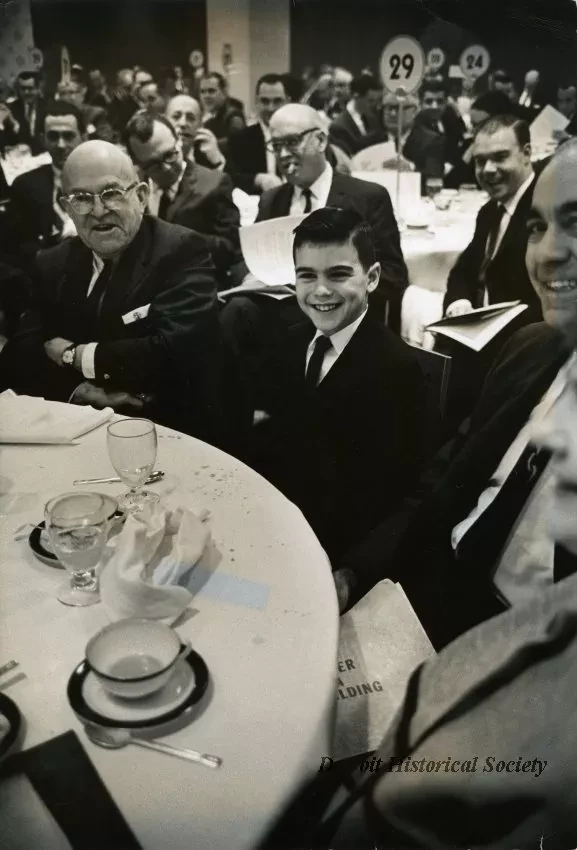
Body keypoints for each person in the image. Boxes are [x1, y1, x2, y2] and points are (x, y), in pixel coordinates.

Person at [359, 139, 577, 649]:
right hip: (440, 590)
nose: (547, 254)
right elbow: (444, 478)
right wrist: (356, 570)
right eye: (537, 227)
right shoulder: (532, 347)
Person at [0, 141, 222, 440]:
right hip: (76, 427)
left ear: (141, 196)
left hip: (166, 429)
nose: (98, 211)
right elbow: (20, 353)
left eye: (111, 193)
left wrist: (74, 355)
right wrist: (78, 390)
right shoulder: (53, 262)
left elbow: (178, 351)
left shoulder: (181, 250)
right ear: (67, 208)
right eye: (81, 198)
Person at [253, 207, 425, 574]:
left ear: (372, 278)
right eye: (307, 276)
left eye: (338, 274)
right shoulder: (288, 341)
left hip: (339, 553)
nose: (320, 291)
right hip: (278, 527)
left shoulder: (397, 370)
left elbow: (401, 496)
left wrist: (353, 571)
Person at [444, 114, 541, 321]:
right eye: (480, 161)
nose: (487, 170)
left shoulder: (546, 212)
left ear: (526, 154)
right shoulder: (489, 211)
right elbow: (463, 271)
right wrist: (459, 303)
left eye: (500, 157)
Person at [124, 112, 241, 283]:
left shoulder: (215, 184)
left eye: (170, 155)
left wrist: (182, 240)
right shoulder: (132, 191)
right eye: (153, 164)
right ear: (137, 163)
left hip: (199, 284)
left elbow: (233, 249)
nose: (166, 168)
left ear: (178, 140)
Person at [9, 100, 85, 262]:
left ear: (83, 137)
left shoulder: (103, 182)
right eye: (53, 136)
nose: (61, 145)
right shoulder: (24, 186)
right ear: (43, 139)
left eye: (68, 136)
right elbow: (14, 246)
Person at [226, 73, 290, 195]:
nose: (271, 108)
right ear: (256, 102)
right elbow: (231, 178)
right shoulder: (240, 139)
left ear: (287, 101)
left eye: (277, 101)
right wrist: (257, 180)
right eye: (265, 101)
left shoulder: (300, 136)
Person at [403, 79, 465, 188]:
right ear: (420, 103)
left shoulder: (452, 121)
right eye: (429, 101)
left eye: (440, 102)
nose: (434, 106)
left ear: (446, 102)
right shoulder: (413, 128)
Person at [329, 74, 387, 157]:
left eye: (379, 100)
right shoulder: (339, 126)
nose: (377, 106)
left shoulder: (376, 118)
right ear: (356, 97)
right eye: (371, 101)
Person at [165, 94, 225, 171]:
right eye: (176, 117)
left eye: (190, 118)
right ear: (164, 122)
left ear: (200, 125)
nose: (183, 123)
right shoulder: (152, 156)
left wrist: (217, 162)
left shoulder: (208, 160)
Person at [199, 72, 245, 154]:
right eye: (202, 92)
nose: (206, 96)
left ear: (224, 92)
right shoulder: (210, 119)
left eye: (211, 91)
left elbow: (236, 144)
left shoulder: (234, 117)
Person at [8, 71, 46, 154]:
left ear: (38, 88)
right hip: (19, 156)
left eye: (30, 88)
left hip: (44, 155)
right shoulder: (11, 108)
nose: (26, 92)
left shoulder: (47, 107)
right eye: (23, 88)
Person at [107, 69, 139, 135]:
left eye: (133, 87)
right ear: (119, 87)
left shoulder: (134, 101)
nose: (132, 92)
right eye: (128, 88)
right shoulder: (113, 106)